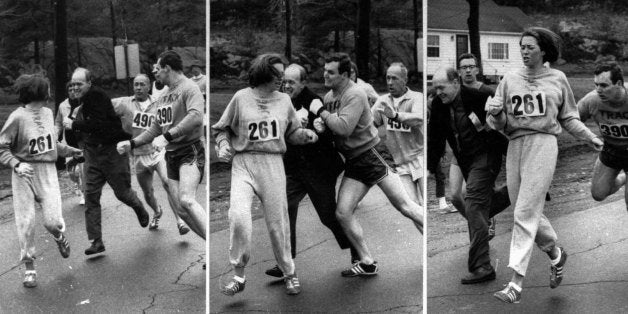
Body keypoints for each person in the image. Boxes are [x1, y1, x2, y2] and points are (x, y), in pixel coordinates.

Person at [487, 27, 603, 303]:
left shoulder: (557, 78)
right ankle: (556, 253)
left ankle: (515, 283)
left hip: (543, 144)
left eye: (530, 47)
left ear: (543, 50)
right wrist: (497, 114)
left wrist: (590, 137)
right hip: (515, 145)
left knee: (525, 211)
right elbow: (499, 123)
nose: (524, 52)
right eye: (522, 47)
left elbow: (569, 117)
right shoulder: (510, 78)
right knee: (524, 210)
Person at [211, 53, 319, 296]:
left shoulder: (283, 101)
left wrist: (306, 135)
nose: (282, 79)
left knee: (277, 223)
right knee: (238, 216)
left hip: (272, 163)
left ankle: (289, 272)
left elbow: (292, 133)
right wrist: (222, 145)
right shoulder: (241, 98)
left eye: (283, 75)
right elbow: (221, 129)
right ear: (262, 74)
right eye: (277, 75)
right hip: (244, 163)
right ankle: (238, 274)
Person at [308, 52, 423, 277]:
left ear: (344, 74)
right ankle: (367, 261)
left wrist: (320, 112)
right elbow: (334, 130)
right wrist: (320, 125)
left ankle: (429, 241)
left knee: (405, 206)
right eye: (324, 70)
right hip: (354, 160)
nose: (325, 75)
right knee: (342, 213)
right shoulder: (330, 96)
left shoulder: (355, 93)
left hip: (372, 154)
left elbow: (343, 128)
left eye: (330, 72)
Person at [264, 63, 357, 278]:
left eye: (291, 82)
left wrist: (313, 129)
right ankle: (285, 263)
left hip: (319, 169)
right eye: (284, 81)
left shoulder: (313, 101)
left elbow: (329, 136)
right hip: (294, 168)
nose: (286, 86)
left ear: (303, 82)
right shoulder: (280, 100)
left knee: (328, 215)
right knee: (285, 209)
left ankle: (358, 252)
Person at [428, 65, 510, 285]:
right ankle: (513, 191)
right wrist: (429, 166)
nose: (438, 93)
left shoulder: (479, 96)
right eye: (435, 88)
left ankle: (482, 266)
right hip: (465, 160)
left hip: (487, 155)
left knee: (473, 203)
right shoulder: (438, 104)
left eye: (442, 87)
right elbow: (435, 136)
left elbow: (502, 123)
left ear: (456, 83)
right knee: (478, 207)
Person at [0, 74, 82, 287]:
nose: (49, 94)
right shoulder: (17, 117)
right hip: (24, 174)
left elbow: (52, 145)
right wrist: (16, 164)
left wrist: (73, 151)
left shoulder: (47, 113)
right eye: (47, 90)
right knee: (26, 222)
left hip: (47, 171)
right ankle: (29, 267)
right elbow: (2, 147)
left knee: (53, 222)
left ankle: (59, 236)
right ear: (39, 92)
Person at [117, 50, 207, 243]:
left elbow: (196, 117)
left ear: (167, 68)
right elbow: (155, 127)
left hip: (190, 149)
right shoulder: (164, 95)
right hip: (172, 154)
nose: (156, 72)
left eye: (158, 68)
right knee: (181, 210)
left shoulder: (189, 88)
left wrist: (167, 136)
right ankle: (207, 242)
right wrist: (131, 143)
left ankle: (210, 251)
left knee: (186, 200)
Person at [63, 67, 150, 256]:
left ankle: (139, 207)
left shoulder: (97, 96)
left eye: (79, 83)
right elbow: (76, 131)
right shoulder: (75, 100)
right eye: (73, 84)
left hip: (112, 151)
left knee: (123, 194)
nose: (75, 87)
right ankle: (96, 241)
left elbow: (98, 125)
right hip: (93, 154)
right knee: (90, 196)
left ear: (89, 83)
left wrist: (74, 124)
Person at [111, 74, 190, 234]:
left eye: (142, 85)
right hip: (138, 155)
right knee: (147, 193)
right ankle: (157, 211)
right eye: (136, 85)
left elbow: (171, 121)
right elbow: (103, 107)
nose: (138, 88)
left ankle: (180, 221)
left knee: (168, 183)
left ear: (149, 87)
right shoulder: (123, 103)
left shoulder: (159, 103)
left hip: (157, 151)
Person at [451, 53, 498, 237]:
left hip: (482, 151)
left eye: (471, 66)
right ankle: (481, 222)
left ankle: (481, 226)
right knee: (455, 196)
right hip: (460, 150)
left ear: (477, 69)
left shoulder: (486, 92)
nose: (468, 70)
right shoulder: (454, 93)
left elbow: (497, 121)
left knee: (470, 193)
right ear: (459, 72)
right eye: (464, 67)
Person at [372, 62, 425, 206]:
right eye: (388, 78)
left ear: (405, 80)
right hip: (399, 163)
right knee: (412, 206)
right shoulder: (382, 101)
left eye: (394, 78)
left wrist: (395, 116)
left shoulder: (417, 97)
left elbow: (418, 119)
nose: (390, 82)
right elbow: (370, 125)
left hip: (420, 157)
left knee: (425, 204)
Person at [578, 63, 628, 213]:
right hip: (611, 149)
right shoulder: (592, 100)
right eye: (596, 84)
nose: (598, 90)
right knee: (598, 194)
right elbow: (571, 119)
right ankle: (624, 178)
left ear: (618, 84)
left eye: (604, 85)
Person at [55, 81, 85, 205]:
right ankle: (77, 184)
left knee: (83, 171)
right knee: (71, 172)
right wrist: (55, 134)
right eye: (70, 90)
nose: (73, 92)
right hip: (68, 143)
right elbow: (57, 123)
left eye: (74, 89)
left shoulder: (85, 104)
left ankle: (85, 194)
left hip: (82, 143)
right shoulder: (62, 106)